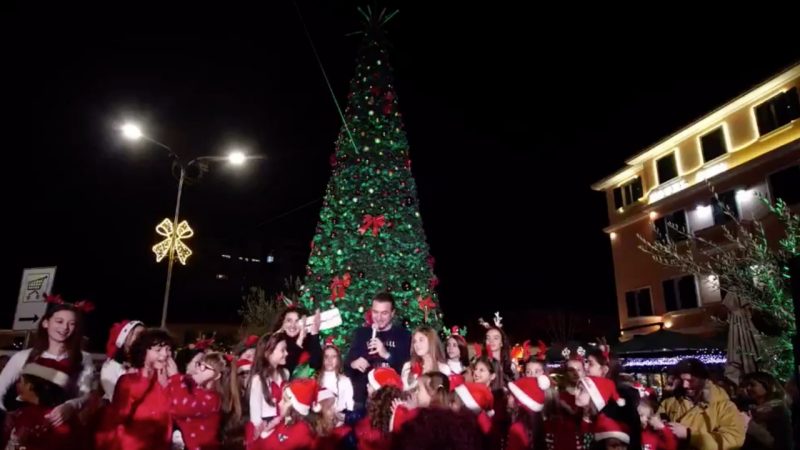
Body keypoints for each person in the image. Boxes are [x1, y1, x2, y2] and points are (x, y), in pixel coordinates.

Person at [0, 297, 95, 426]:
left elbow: (85, 395)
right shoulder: (24, 356)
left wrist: (70, 406)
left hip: (61, 425)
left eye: (72, 324)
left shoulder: (83, 358)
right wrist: (5, 416)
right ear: (46, 323)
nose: (65, 327)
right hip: (25, 426)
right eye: (59, 321)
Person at [94, 328, 176, 450]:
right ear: (144, 352)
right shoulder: (128, 380)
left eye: (168, 349)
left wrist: (174, 381)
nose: (165, 354)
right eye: (158, 350)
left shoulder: (171, 382)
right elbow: (120, 415)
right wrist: (144, 378)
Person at [658, 358, 745, 450]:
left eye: (690, 380)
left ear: (704, 380)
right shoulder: (670, 402)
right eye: (682, 380)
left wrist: (689, 434)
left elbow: (732, 440)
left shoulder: (725, 407)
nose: (685, 385)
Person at [345, 293, 411, 410]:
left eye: (384, 313)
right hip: (362, 401)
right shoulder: (361, 334)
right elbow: (346, 367)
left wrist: (386, 354)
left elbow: (406, 370)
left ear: (392, 313)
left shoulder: (404, 336)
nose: (379, 318)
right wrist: (353, 364)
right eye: (375, 312)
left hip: (391, 402)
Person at [2, 360, 79, 450]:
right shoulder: (19, 413)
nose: (17, 385)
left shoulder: (57, 418)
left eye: (20, 381)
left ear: (30, 386)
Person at [168, 352, 232, 450]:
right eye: (199, 364)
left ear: (217, 375)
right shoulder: (193, 389)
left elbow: (183, 407)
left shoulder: (213, 399)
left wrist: (175, 377)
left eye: (205, 367)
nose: (198, 369)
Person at [247, 333, 290, 449]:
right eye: (282, 350)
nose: (287, 353)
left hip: (283, 425)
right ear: (268, 353)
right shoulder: (258, 380)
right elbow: (255, 416)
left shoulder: (285, 374)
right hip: (266, 430)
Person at [257, 378, 319, 449]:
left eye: (285, 400)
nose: (279, 403)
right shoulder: (286, 420)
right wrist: (266, 431)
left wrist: (264, 434)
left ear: (295, 408)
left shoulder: (300, 432)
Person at [740, 371, 793, 450]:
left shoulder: (778, 410)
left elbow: (779, 443)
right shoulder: (753, 409)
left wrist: (749, 423)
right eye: (746, 385)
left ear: (767, 386)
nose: (748, 388)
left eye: (752, 385)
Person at [355, 368, 404, 450]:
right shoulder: (375, 407)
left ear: (379, 392)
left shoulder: (384, 416)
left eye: (370, 384)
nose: (367, 385)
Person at [100, 320, 143, 401]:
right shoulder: (110, 367)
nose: (143, 339)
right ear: (125, 338)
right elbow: (116, 399)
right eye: (138, 334)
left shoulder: (145, 365)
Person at [272, 306, 322, 375]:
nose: (293, 325)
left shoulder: (309, 340)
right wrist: (299, 342)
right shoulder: (275, 342)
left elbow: (316, 365)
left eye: (297, 321)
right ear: (282, 323)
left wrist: (314, 334)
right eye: (289, 321)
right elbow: (285, 371)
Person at [506, 376, 550, 450]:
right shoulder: (538, 423)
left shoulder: (517, 428)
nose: (507, 397)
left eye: (510, 394)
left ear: (519, 401)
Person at [400, 326, 450, 391]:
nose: (417, 344)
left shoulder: (443, 368)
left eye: (421, 340)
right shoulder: (408, 366)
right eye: (415, 341)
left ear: (431, 341)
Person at [317, 340, 354, 414]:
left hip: (339, 417)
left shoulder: (345, 381)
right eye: (326, 356)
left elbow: (350, 405)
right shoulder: (316, 380)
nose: (329, 360)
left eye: (333, 356)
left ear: (338, 360)